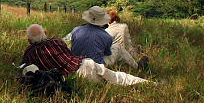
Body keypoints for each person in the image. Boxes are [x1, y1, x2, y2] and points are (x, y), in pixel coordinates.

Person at [22, 24, 151, 86]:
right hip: (84, 65)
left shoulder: (29, 53)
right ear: (45, 32)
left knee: (106, 85)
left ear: (29, 41)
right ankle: (150, 84)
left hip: (70, 78)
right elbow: (69, 55)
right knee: (118, 78)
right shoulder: (56, 41)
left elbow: (27, 66)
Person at [71, 6, 148, 69]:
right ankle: (137, 66)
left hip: (76, 63)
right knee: (118, 47)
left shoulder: (76, 30)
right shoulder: (106, 36)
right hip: (96, 66)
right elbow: (107, 53)